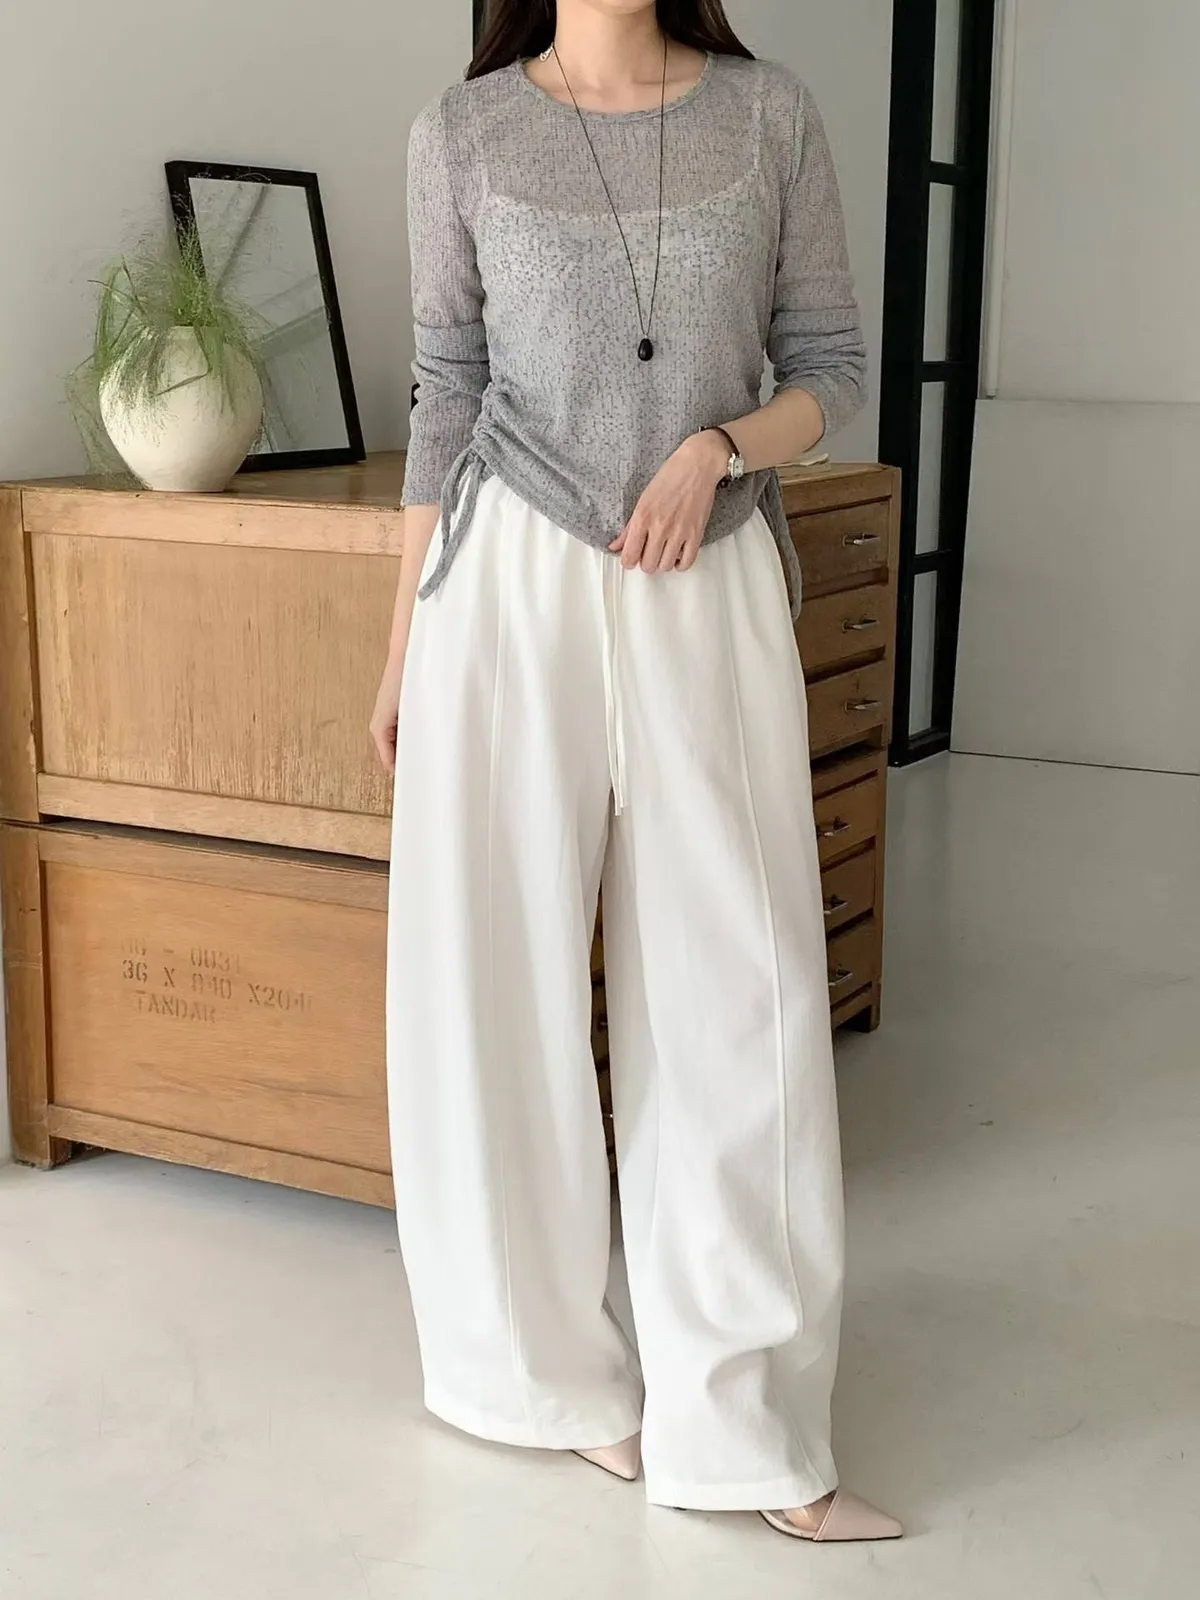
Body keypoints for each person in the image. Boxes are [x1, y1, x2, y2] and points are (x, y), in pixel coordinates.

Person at [370, 0, 902, 1546]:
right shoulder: (462, 133)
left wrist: (721, 446)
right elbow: (444, 392)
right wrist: (403, 650)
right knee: (492, 987)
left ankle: (748, 1428)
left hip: (705, 571)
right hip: (503, 589)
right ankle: (540, 1380)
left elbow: (833, 368)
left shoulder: (768, 111)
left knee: (743, 1000)